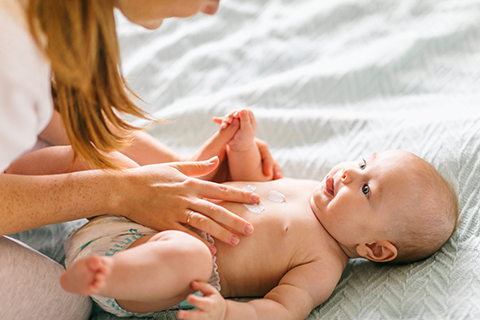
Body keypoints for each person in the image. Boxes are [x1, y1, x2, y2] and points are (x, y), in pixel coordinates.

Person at [0, 0, 281, 318]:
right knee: (63, 303)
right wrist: (119, 190)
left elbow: (54, 108)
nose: (213, 8)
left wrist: (183, 170)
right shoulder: (13, 57)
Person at [54, 109, 458, 319]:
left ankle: (106, 274)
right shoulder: (306, 190)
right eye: (362, 163)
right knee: (89, 160)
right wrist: (243, 146)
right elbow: (247, 186)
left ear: (374, 247)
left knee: (191, 255)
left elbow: (282, 310)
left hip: (148, 261)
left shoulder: (322, 265)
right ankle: (16, 179)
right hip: (138, 206)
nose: (350, 173)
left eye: (367, 189)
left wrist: (226, 312)